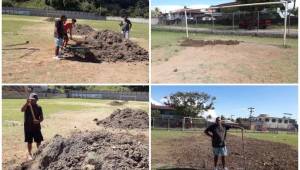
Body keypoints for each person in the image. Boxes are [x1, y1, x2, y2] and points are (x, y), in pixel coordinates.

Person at [21, 93, 44, 161]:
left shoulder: (39, 107)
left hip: (36, 127)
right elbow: (22, 110)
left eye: (34, 99)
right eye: (31, 99)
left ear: (37, 100)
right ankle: (30, 154)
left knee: (38, 141)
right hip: (28, 127)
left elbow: (42, 118)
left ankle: (39, 152)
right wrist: (26, 103)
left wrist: (38, 121)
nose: (32, 101)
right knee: (29, 141)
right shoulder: (27, 106)